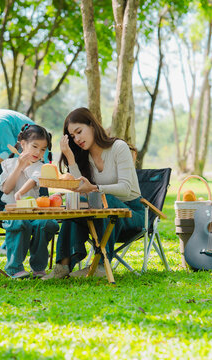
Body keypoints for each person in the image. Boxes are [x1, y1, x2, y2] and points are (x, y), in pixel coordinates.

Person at [42, 107, 145, 280]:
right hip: (101, 214)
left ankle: (100, 265)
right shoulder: (84, 157)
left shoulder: (118, 148)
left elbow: (126, 188)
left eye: (79, 131)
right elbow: (79, 187)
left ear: (92, 125)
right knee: (75, 204)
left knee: (106, 199)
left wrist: (96, 189)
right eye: (73, 136)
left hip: (131, 213)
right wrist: (70, 157)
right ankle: (63, 266)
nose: (77, 139)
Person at [0, 124, 59, 279]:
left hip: (35, 212)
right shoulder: (8, 164)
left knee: (47, 224)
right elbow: (6, 189)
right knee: (20, 222)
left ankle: (38, 266)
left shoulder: (41, 166)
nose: (38, 152)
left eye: (43, 149)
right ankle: (14, 267)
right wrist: (19, 166)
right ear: (23, 144)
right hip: (13, 212)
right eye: (35, 146)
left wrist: (21, 192)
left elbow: (34, 179)